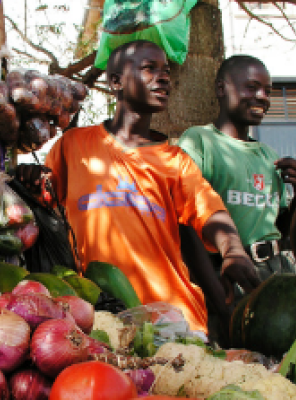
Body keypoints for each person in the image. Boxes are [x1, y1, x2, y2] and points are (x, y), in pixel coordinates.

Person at [16, 40, 261, 337]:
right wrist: (30, 180)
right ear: (116, 81)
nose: (164, 78)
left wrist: (232, 249)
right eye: (149, 68)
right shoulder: (74, 145)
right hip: (96, 319)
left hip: (172, 320)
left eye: (166, 71)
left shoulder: (176, 161)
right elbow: (47, 205)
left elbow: (210, 213)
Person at [178, 55, 296, 290]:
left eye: (268, 91)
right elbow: (184, 220)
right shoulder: (200, 141)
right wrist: (212, 289)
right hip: (229, 275)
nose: (262, 98)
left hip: (277, 270)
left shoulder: (268, 155)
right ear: (221, 88)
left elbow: (278, 228)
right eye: (252, 87)